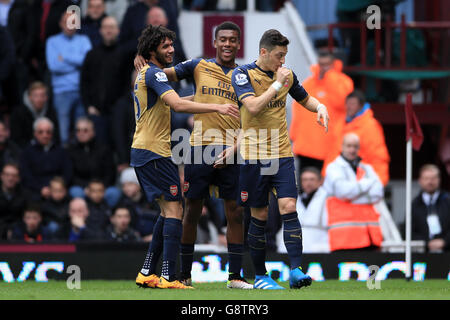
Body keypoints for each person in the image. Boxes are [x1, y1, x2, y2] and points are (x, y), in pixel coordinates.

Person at [135, 21, 252, 289]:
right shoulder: (197, 65)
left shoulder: (245, 76)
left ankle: (235, 277)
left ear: (238, 43)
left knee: (235, 213)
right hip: (200, 148)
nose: (227, 44)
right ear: (215, 41)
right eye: (223, 39)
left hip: (231, 149)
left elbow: (251, 116)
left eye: (232, 40)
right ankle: (183, 274)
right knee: (190, 211)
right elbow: (161, 75)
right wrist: (141, 61)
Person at [231, 29, 329, 289]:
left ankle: (296, 270)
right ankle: (262, 276)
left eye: (285, 56)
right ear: (263, 52)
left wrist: (320, 107)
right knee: (259, 215)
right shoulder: (242, 74)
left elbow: (304, 98)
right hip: (254, 156)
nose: (282, 62)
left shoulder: (287, 76)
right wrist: (276, 85)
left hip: (282, 154)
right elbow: (252, 106)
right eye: (278, 56)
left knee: (288, 207)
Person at [289, 51, 353, 183]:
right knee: (306, 187)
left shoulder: (343, 82)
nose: (324, 68)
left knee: (326, 189)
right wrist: (294, 138)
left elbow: (342, 102)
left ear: (334, 64)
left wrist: (331, 77)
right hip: (305, 147)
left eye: (327, 65)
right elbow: (297, 110)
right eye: (321, 64)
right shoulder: (309, 84)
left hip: (330, 147)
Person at [322, 133, 384, 252]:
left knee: (371, 270)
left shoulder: (367, 168)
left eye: (355, 146)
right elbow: (343, 192)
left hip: (369, 237)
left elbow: (378, 193)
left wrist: (352, 197)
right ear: (342, 146)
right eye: (349, 146)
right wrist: (366, 184)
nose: (352, 150)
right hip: (344, 239)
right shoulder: (333, 168)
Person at [322, 89, 390, 186]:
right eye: (347, 104)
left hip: (360, 180)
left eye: (352, 104)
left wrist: (379, 181)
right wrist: (325, 175)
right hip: (337, 177)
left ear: (361, 106)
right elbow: (331, 153)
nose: (349, 107)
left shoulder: (370, 126)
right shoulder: (339, 124)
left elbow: (377, 155)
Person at [46, 11, 92, 146]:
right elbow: (54, 66)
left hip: (81, 90)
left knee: (82, 130)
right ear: (61, 23)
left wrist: (64, 58)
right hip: (62, 92)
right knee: (63, 133)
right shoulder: (52, 41)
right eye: (67, 21)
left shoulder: (84, 40)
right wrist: (78, 64)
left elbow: (88, 62)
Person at [80, 15, 128, 145]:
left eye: (111, 27)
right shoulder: (91, 54)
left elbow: (128, 83)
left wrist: (121, 105)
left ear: (118, 30)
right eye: (105, 27)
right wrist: (88, 106)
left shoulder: (124, 54)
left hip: (118, 110)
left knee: (120, 144)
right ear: (100, 30)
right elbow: (84, 82)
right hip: (96, 111)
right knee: (100, 147)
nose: (108, 30)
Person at [67, 117, 119, 207]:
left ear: (93, 132)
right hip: (83, 187)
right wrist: (88, 188)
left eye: (85, 130)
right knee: (75, 192)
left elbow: (110, 173)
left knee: (114, 193)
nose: (81, 133)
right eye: (78, 130)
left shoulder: (104, 149)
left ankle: (109, 217)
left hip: (102, 187)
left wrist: (99, 188)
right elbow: (70, 175)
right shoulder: (71, 150)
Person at [19, 117, 72, 201]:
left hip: (59, 189)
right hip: (35, 189)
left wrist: (57, 188)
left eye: (48, 132)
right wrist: (41, 188)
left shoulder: (61, 151)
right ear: (35, 133)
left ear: (52, 134)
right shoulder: (27, 152)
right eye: (41, 132)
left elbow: (68, 172)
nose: (45, 135)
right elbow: (26, 175)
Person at [410, 164, 450, 252]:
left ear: (439, 180)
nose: (430, 182)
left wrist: (445, 241)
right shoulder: (415, 204)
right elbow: (408, 230)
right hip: (423, 253)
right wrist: (426, 242)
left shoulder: (447, 200)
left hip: (447, 252)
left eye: (433, 178)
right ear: (420, 180)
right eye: (426, 178)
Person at [10, 81, 60, 148]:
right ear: (30, 97)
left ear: (46, 97)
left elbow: (56, 136)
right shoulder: (18, 113)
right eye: (36, 96)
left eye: (42, 95)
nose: (39, 99)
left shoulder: (51, 112)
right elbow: (16, 138)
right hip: (25, 150)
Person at [117, 167, 159, 241]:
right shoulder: (122, 202)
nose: (126, 188)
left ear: (139, 184)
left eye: (130, 184)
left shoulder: (151, 199)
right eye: (124, 185)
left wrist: (155, 236)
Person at [293, 167, 329, 253]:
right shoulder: (297, 199)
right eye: (305, 180)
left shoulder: (327, 197)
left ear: (320, 181)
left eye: (312, 179)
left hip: (320, 244)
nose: (308, 183)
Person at [0, 162, 29, 239]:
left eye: (14, 176)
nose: (10, 178)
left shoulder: (25, 194)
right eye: (7, 175)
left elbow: (27, 216)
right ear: (1, 176)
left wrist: (13, 229)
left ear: (18, 178)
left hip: (18, 230)